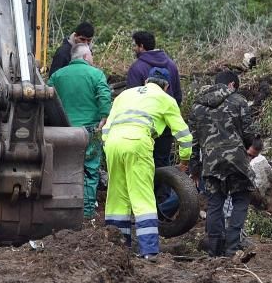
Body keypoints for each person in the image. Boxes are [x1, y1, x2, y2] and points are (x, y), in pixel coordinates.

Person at [102, 67, 193, 260]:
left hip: (112, 143)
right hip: (137, 142)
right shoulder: (166, 99)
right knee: (142, 196)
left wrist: (109, 148)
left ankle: (116, 248)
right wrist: (184, 160)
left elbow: (106, 127)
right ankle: (149, 251)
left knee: (117, 197)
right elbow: (183, 135)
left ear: (146, 82)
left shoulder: (124, 94)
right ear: (166, 86)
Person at [190, 70, 256, 257]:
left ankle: (215, 248)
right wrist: (250, 148)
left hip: (211, 163)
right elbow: (249, 134)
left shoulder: (197, 107)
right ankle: (233, 246)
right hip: (236, 160)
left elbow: (193, 143)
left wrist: (194, 169)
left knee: (214, 204)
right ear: (232, 85)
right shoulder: (238, 101)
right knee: (241, 199)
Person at [47, 43, 112, 218]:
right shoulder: (96, 74)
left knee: (62, 168)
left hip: (63, 132)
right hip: (89, 130)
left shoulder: (56, 75)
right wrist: (104, 117)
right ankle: (87, 211)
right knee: (90, 170)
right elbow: (104, 95)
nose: (92, 59)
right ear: (85, 57)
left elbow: (47, 100)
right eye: (91, 55)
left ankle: (61, 208)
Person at [126, 30, 182, 167]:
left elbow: (132, 98)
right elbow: (178, 95)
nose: (134, 49)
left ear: (141, 46)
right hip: (167, 122)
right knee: (163, 163)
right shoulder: (171, 65)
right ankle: (163, 189)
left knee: (144, 164)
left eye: (135, 46)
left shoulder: (136, 68)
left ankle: (149, 189)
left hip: (145, 126)